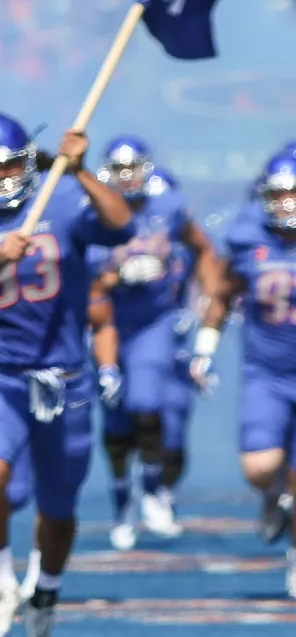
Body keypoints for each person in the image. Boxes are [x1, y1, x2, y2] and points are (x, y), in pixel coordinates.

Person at [0, 115, 130, 637]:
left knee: (58, 509)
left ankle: (44, 598)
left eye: (12, 164)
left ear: (30, 159)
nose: (1, 177)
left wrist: (85, 171)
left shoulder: (61, 197)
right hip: (4, 375)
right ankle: (0, 585)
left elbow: (121, 227)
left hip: (67, 378)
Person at [86, 139, 219, 550]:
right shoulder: (91, 216)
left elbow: (203, 250)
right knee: (116, 426)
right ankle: (123, 501)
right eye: (119, 169)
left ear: (146, 169)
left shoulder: (169, 208)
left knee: (146, 404)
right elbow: (84, 284)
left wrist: (203, 303)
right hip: (108, 325)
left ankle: (154, 489)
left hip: (155, 323)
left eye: (133, 168)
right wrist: (116, 277)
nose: (127, 177)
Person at [196, 152, 296, 594]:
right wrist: (205, 347)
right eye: (279, 194)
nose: (287, 203)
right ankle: (274, 496)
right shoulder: (247, 237)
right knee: (259, 467)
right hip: (268, 371)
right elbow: (223, 294)